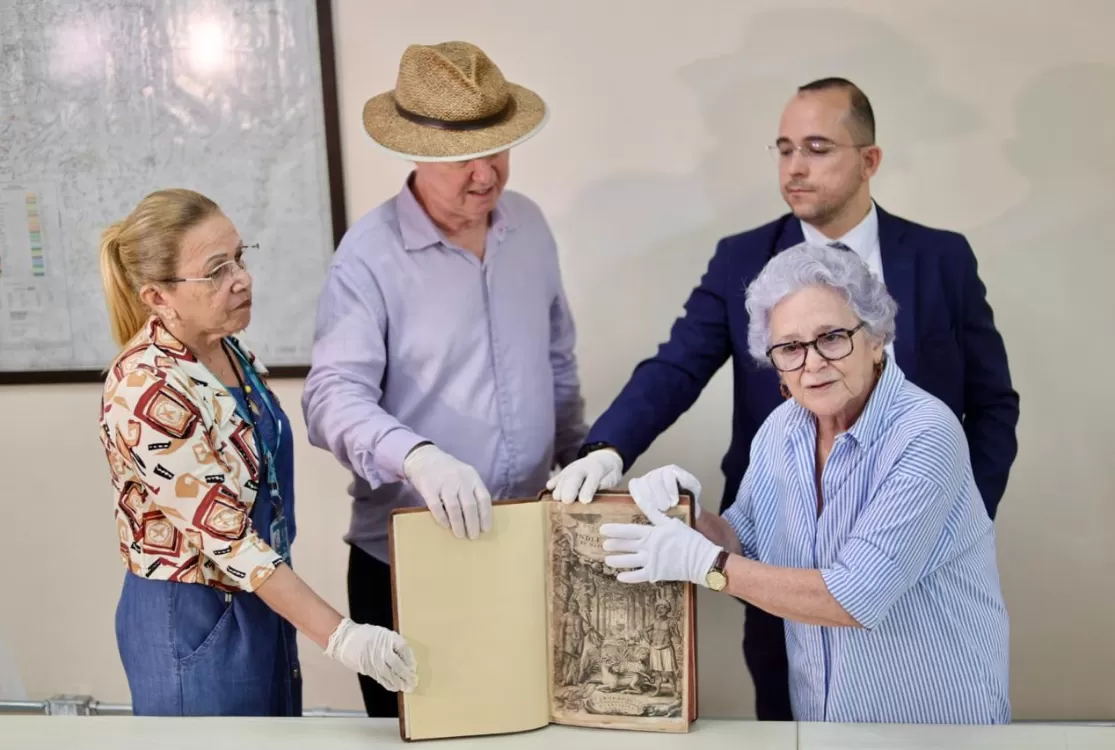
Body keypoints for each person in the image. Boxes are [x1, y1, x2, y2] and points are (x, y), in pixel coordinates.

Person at [548, 77, 1019, 720]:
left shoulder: (940, 267)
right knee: (790, 710)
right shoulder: (782, 419)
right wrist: (662, 494)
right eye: (784, 148)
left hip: (925, 673)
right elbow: (677, 368)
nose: (795, 167)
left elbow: (992, 404)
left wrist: (954, 511)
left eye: (817, 148)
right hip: (790, 585)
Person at [597, 243, 1010, 723]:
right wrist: (689, 516)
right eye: (791, 348)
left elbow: (855, 596)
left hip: (937, 723)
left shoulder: (924, 433)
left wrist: (703, 561)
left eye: (831, 337)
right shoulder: (782, 430)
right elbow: (744, 542)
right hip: (824, 721)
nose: (812, 363)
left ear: (876, 338)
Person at [302, 41, 587, 717]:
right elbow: (330, 398)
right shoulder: (367, 258)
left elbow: (556, 359)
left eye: (497, 150)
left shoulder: (529, 226)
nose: (486, 174)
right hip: (410, 561)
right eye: (463, 158)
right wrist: (417, 456)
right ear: (415, 154)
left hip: (529, 545)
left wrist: (583, 456)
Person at [97, 188, 417, 716]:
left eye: (239, 258)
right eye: (216, 270)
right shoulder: (146, 387)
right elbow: (226, 538)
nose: (241, 279)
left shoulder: (226, 348)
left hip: (262, 597)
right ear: (157, 296)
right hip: (194, 619)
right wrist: (342, 636)